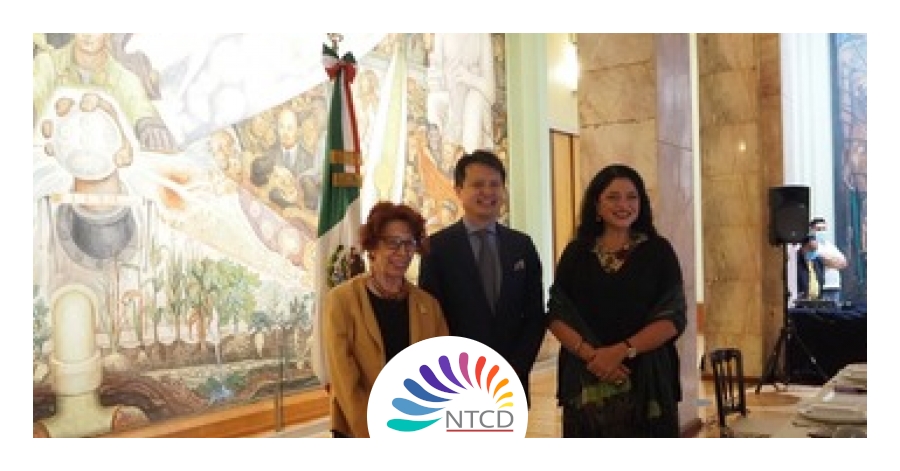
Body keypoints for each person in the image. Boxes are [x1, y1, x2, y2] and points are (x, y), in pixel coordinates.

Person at [546, 163, 686, 437]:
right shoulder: (576, 253)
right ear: (597, 205)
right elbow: (556, 314)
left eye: (632, 197)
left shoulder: (659, 252)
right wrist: (594, 358)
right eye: (613, 197)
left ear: (641, 204)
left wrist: (620, 351)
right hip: (586, 382)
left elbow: (673, 317)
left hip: (648, 385)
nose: (623, 205)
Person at [418, 149, 545, 406]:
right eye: (477, 185)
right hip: (457, 382)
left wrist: (515, 368)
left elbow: (534, 315)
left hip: (511, 379)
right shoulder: (438, 248)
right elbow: (433, 318)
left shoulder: (521, 246)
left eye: (494, 184)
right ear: (458, 190)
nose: (487, 192)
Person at [323, 201, 448, 438]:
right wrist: (372, 432)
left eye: (409, 243)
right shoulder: (342, 301)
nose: (402, 252)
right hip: (358, 429)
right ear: (372, 246)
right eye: (393, 243)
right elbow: (344, 379)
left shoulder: (428, 306)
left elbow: (441, 371)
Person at [809, 217, 848, 302]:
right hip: (821, 288)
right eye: (819, 229)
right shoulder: (811, 245)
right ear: (812, 230)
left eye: (824, 229)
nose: (822, 232)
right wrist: (834, 260)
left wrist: (827, 259)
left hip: (835, 287)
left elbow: (844, 263)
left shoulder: (829, 245)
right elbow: (821, 259)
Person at [795, 233, 825, 301]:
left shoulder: (818, 261)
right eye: (811, 249)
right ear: (803, 247)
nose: (813, 252)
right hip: (802, 302)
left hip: (816, 301)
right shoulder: (795, 261)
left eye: (815, 249)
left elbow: (821, 281)